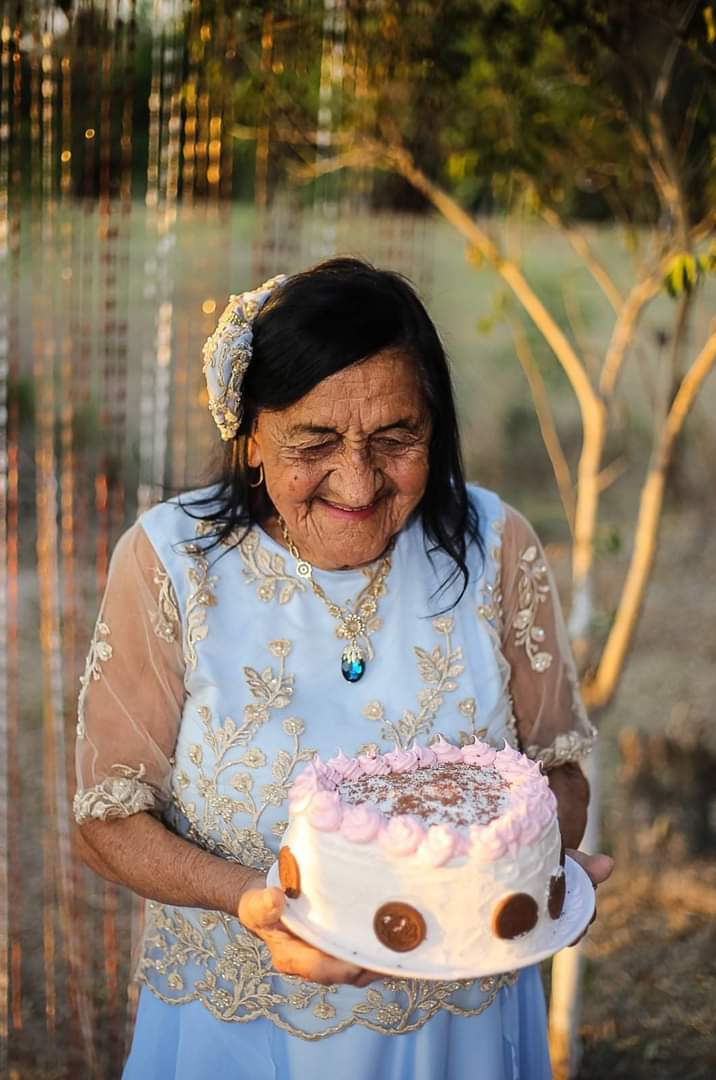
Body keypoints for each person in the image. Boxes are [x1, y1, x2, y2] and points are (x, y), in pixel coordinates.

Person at [74, 257, 611, 1080]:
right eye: (314, 441)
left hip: (458, 1035)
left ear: (436, 429)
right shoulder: (170, 562)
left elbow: (558, 774)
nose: (357, 481)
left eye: (397, 437)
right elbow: (107, 820)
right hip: (243, 1035)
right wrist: (248, 897)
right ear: (252, 438)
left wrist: (532, 869)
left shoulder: (497, 547)